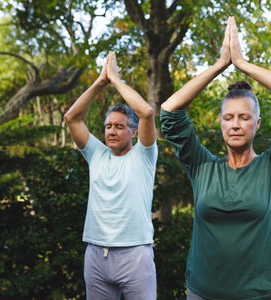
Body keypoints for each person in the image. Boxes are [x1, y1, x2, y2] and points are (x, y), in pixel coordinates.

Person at [160, 16, 271, 300]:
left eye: (244, 117)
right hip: (202, 293)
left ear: (257, 124)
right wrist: (220, 66)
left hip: (261, 295)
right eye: (228, 117)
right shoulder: (202, 166)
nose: (235, 124)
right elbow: (169, 113)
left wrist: (242, 63)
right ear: (219, 123)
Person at [64, 51, 157, 300]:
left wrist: (115, 80)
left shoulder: (144, 155)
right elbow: (72, 118)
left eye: (119, 126)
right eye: (108, 126)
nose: (112, 131)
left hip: (135, 254)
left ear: (134, 132)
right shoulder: (97, 154)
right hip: (96, 254)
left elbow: (147, 112)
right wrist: (99, 82)